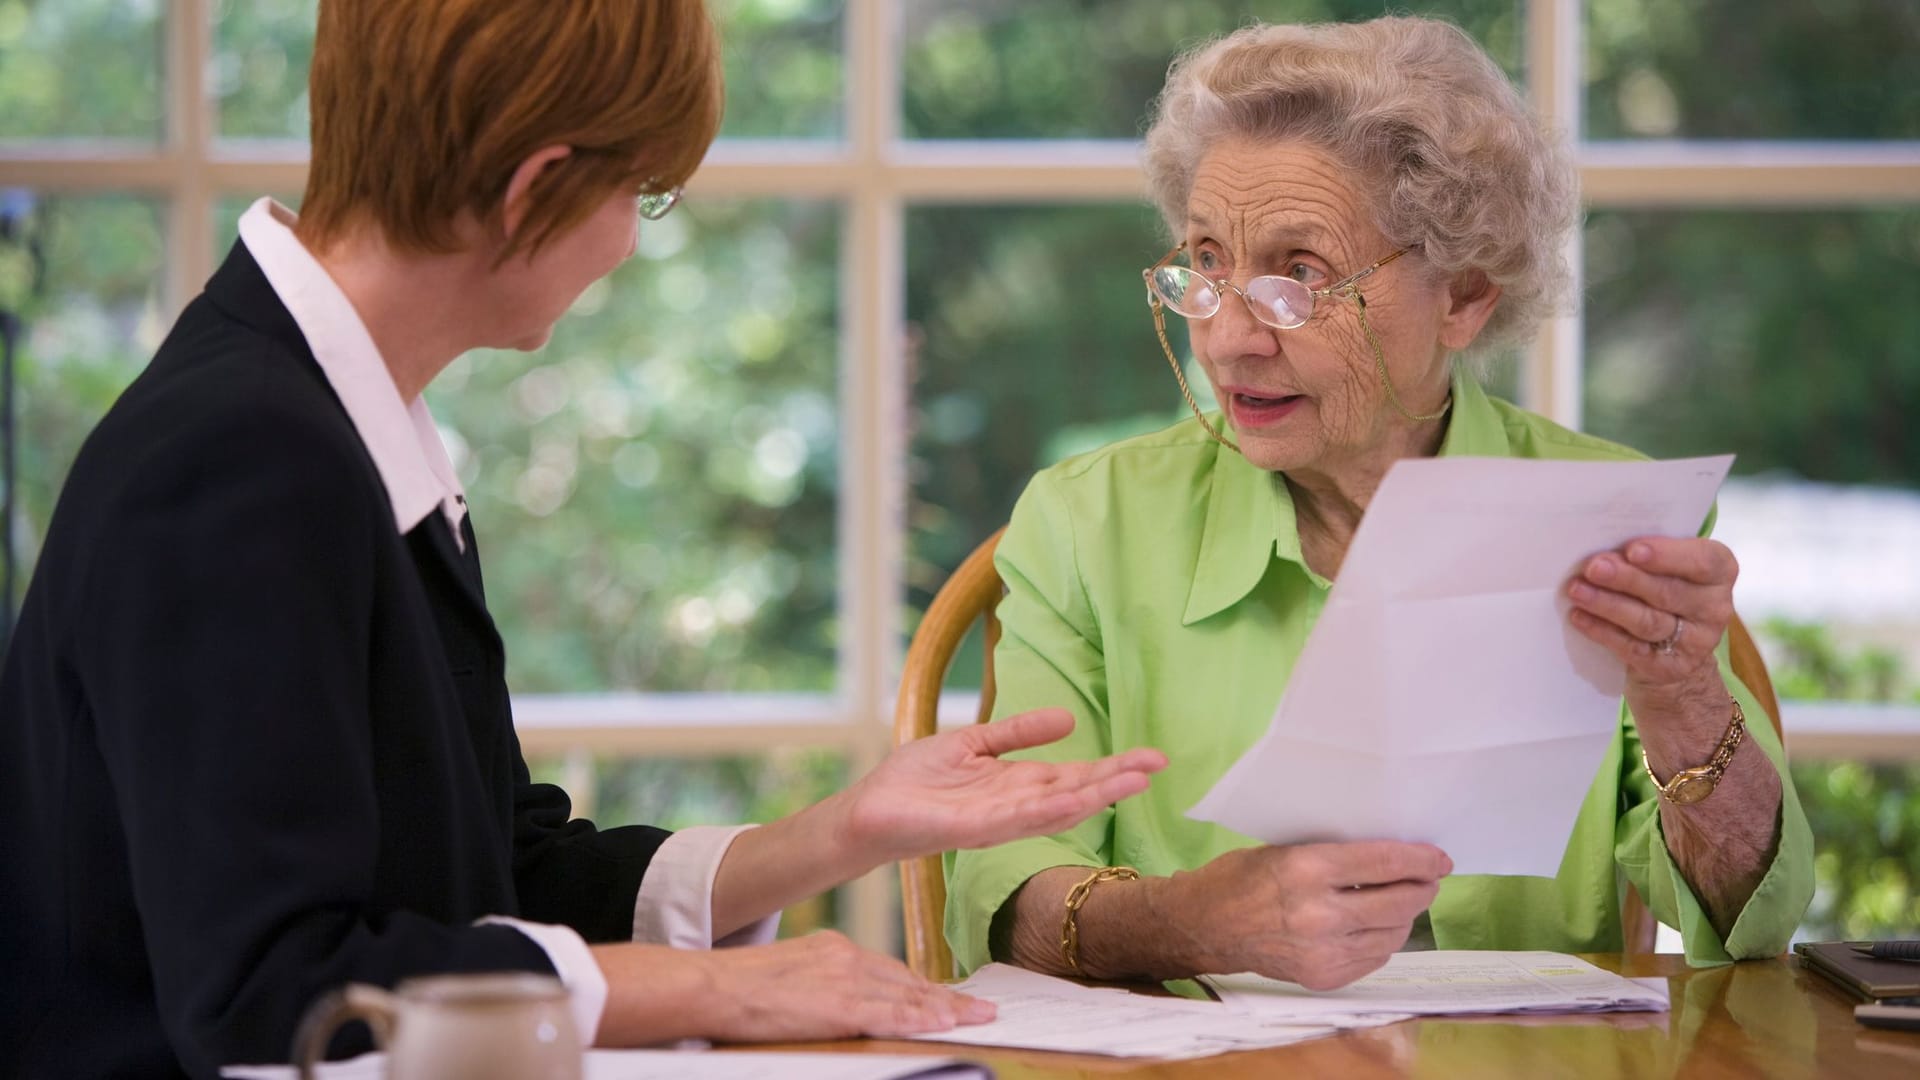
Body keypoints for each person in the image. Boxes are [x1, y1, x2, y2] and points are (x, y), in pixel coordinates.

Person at [0, 2, 1168, 1077]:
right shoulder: (244, 456)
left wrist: (837, 833)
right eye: (645, 193)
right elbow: (271, 989)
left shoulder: (332, 423)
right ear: (536, 187)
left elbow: (500, 875)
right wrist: (709, 990)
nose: (630, 240)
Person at [945, 16, 1812, 989]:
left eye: (1296, 276)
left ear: (1467, 295)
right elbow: (1000, 896)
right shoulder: (1086, 525)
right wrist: (1187, 922)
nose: (1228, 340)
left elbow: (1753, 924)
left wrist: (1682, 697)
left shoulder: (1606, 520)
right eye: (1206, 263)